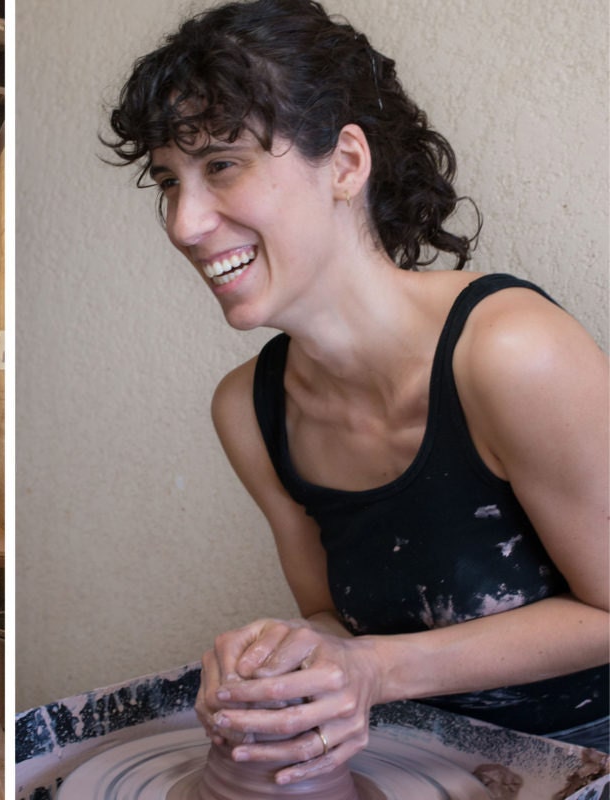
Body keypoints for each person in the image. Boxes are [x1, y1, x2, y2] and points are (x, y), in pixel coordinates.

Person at [104, 0, 608, 786]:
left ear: (344, 163)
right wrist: (286, 659)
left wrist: (373, 671)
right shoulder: (248, 410)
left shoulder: (512, 353)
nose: (183, 223)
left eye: (222, 165)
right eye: (169, 181)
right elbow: (329, 617)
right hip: (409, 757)